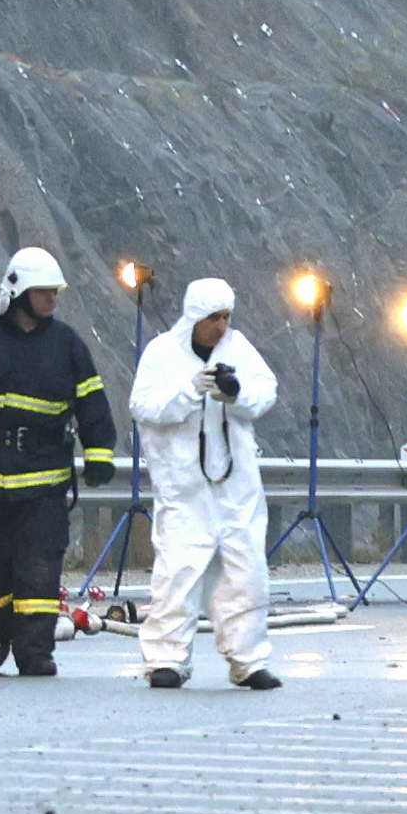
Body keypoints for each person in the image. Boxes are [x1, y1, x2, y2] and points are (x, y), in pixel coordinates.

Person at [0, 248, 118, 676]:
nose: (52, 299)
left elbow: (92, 402)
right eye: (44, 292)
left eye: (55, 292)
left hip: (44, 480)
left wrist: (99, 453)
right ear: (17, 292)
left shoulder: (67, 345)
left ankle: (35, 651)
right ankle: (1, 625)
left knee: (40, 566)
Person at [129, 278, 282, 689]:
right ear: (194, 316)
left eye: (226, 317)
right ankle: (166, 659)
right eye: (214, 318)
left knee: (246, 573)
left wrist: (237, 395)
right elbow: (142, 405)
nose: (221, 326)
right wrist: (189, 393)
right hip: (184, 488)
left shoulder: (238, 347)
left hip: (236, 488)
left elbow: (266, 392)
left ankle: (248, 659)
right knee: (177, 574)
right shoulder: (161, 353)